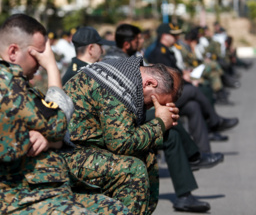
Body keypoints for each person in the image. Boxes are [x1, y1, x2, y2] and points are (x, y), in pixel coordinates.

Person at [0, 14, 130, 215]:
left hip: (34, 187)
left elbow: (49, 127)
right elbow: (57, 124)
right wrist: (52, 67)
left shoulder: (2, 75)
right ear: (13, 51)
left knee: (117, 210)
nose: (41, 60)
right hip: (9, 199)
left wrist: (49, 136)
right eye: (38, 54)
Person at [100, 24, 220, 213]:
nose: (142, 42)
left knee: (189, 108)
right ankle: (197, 153)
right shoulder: (115, 60)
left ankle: (188, 181)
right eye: (138, 39)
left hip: (132, 110)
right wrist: (158, 121)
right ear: (127, 43)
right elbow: (120, 130)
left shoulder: (131, 58)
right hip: (117, 122)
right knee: (172, 120)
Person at [62, 50, 183, 214]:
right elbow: (121, 143)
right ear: (150, 83)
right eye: (152, 103)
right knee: (133, 170)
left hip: (88, 148)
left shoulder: (126, 75)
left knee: (148, 158)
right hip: (69, 154)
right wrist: (160, 123)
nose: (150, 108)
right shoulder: (116, 86)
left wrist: (162, 124)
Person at [148, 23, 239, 147]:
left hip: (173, 91)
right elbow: (166, 78)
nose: (176, 38)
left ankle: (201, 153)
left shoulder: (167, 50)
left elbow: (175, 70)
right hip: (166, 96)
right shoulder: (159, 52)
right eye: (173, 35)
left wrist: (185, 74)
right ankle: (215, 121)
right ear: (164, 36)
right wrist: (184, 77)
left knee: (193, 106)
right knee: (194, 90)